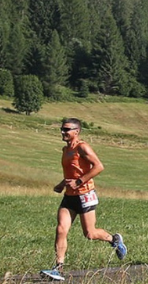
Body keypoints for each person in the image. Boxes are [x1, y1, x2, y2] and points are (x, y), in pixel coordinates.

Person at [40, 118, 127, 282]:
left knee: (90, 233)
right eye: (62, 129)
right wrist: (61, 185)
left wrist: (79, 182)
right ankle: (58, 268)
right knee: (61, 229)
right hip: (69, 196)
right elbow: (72, 173)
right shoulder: (65, 149)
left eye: (67, 130)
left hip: (85, 195)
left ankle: (113, 239)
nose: (63, 132)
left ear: (76, 131)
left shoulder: (82, 147)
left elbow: (99, 166)